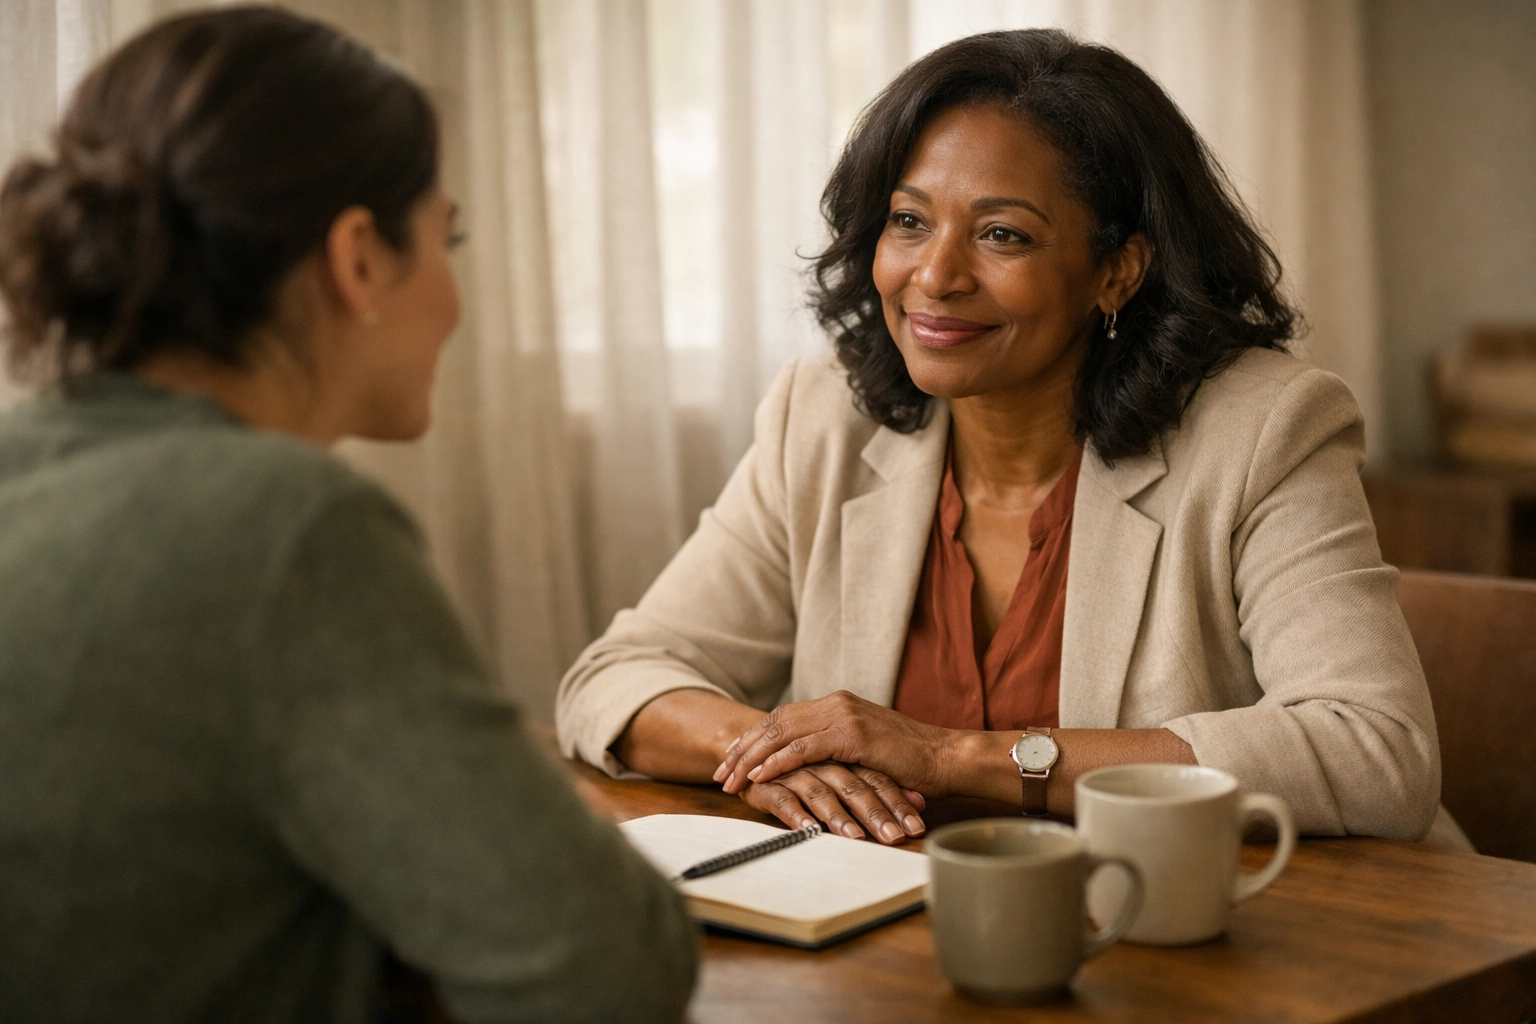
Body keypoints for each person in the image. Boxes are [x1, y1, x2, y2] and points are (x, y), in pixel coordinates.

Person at [558, 28, 1454, 850]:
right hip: (900, 930)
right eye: (909, 221)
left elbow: (1376, 751)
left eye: (1001, 235)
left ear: (1117, 271)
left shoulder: (1264, 429)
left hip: (1218, 926)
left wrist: (950, 756)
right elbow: (617, 680)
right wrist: (779, 753)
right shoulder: (823, 418)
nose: (935, 275)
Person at [0, 8, 695, 1023]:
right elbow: (606, 972)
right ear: (358, 257)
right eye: (447, 239)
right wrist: (558, 813)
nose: (456, 298)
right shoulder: (290, 530)